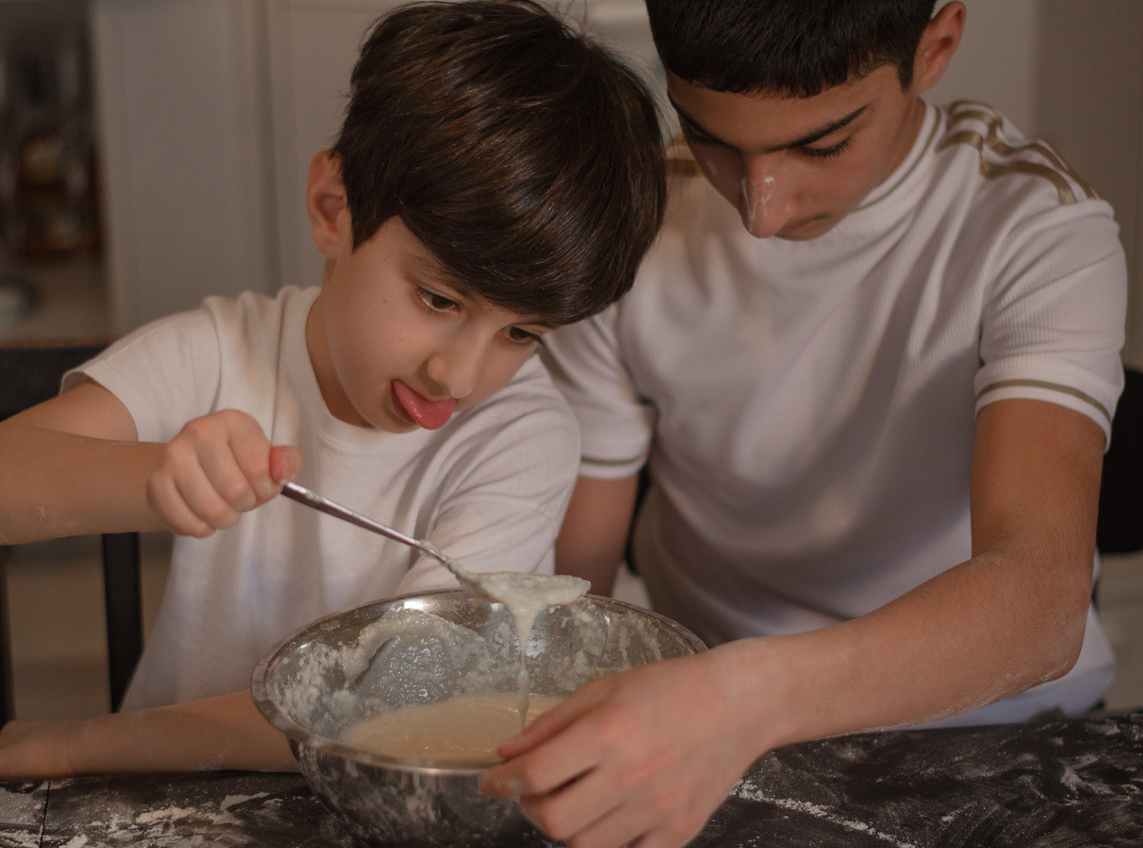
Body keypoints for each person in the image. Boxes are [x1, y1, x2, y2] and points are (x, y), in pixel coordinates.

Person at [0, 0, 666, 781]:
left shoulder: (521, 437)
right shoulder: (220, 354)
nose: (462, 376)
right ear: (332, 209)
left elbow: (394, 709)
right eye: (439, 301)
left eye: (522, 334)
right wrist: (153, 480)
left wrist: (77, 745)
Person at [479, 2, 1129, 846]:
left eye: (820, 145)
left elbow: (1041, 606)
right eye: (709, 137)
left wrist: (741, 696)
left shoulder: (1035, 230)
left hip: (1000, 731)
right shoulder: (636, 218)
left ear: (934, 49)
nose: (761, 209)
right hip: (705, 728)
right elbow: (578, 569)